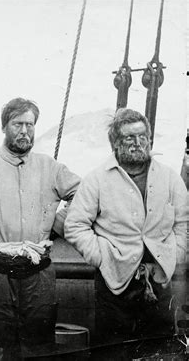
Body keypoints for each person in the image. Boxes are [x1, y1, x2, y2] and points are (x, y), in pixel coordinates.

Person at [0, 97, 80, 358]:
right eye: (17, 124)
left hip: (38, 274)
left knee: (39, 345)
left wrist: (57, 223)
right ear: (4, 127)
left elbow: (83, 195)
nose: (24, 131)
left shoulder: (50, 168)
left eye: (30, 125)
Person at [64, 108, 187, 345]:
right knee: (112, 350)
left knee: (158, 348)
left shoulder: (170, 178)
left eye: (143, 137)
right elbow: (75, 225)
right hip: (114, 281)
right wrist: (100, 257)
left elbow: (184, 224)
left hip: (159, 281)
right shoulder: (97, 179)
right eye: (129, 138)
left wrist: (175, 254)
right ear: (115, 143)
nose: (137, 143)